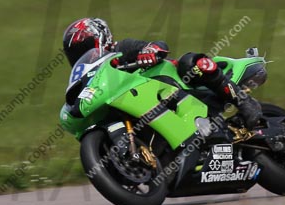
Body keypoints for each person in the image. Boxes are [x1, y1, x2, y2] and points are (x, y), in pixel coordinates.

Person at [62, 17, 263, 129]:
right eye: (76, 53)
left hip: (179, 85)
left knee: (190, 62)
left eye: (85, 47)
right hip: (148, 106)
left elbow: (158, 45)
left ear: (100, 38)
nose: (82, 54)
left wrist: (150, 52)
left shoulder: (122, 48)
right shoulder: (97, 78)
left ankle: (243, 101)